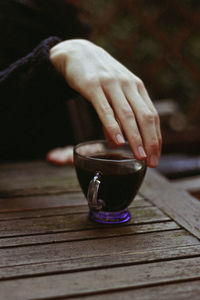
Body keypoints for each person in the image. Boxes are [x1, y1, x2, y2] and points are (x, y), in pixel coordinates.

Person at [0, 0, 162, 167]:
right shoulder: (11, 18)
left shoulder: (64, 17)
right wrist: (52, 62)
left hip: (67, 173)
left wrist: (90, 143)